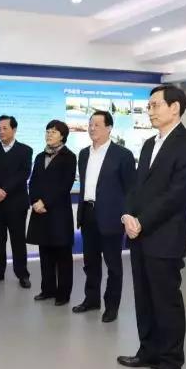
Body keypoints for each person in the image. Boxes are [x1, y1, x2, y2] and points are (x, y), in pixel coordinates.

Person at [118, 85, 186, 369]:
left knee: (166, 301)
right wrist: (128, 215)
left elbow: (178, 194)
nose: (150, 111)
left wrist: (142, 221)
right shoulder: (147, 144)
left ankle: (170, 363)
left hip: (165, 236)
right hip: (139, 234)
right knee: (143, 297)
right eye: (149, 106)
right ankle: (148, 351)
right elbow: (136, 187)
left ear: (175, 108)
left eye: (155, 105)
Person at [73, 111, 136, 323]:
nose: (92, 128)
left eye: (97, 125)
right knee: (90, 263)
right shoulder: (83, 154)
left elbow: (131, 189)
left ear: (109, 128)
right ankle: (91, 300)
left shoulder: (123, 155)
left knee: (113, 265)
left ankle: (111, 306)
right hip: (88, 213)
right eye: (90, 124)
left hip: (111, 217)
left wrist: (126, 215)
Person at [27, 120, 77, 306]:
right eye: (47, 131)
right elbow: (33, 181)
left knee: (62, 255)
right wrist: (34, 201)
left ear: (62, 136)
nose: (49, 134)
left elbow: (65, 185)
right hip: (40, 212)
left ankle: (63, 294)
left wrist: (45, 202)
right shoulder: (40, 156)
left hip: (58, 213)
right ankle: (47, 290)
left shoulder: (69, 157)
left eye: (53, 132)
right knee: (45, 253)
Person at [0, 115, 33, 289]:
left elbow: (24, 173)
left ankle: (22, 274)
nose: (1, 131)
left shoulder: (25, 150)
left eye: (5, 128)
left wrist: (5, 190)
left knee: (18, 240)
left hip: (16, 203)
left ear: (14, 129)